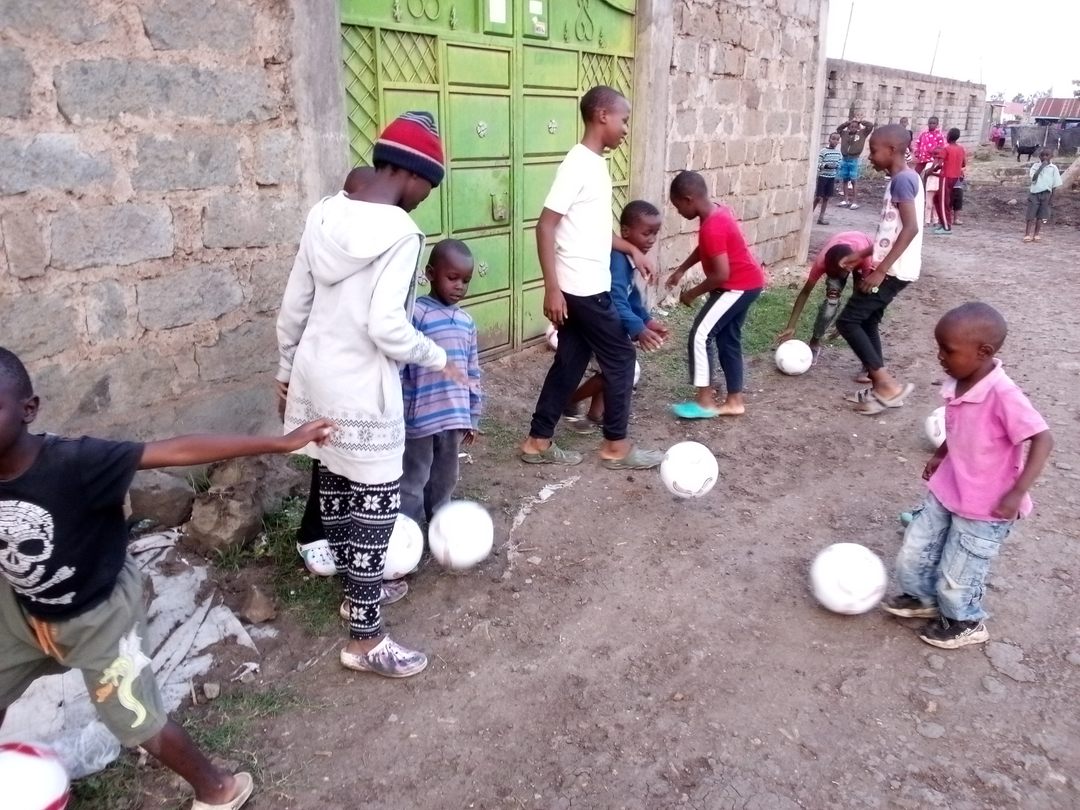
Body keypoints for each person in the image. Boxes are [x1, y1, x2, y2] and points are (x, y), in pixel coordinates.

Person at [0, 346, 334, 810]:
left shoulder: (74, 463)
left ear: (28, 409)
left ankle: (218, 788)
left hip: (98, 617)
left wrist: (281, 443)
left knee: (137, 720)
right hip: (20, 610)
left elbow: (175, 450)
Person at [277, 111, 466, 679]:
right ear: (413, 174)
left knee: (336, 477)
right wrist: (439, 358)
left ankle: (352, 592)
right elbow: (387, 327)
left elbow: (295, 303)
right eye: (429, 187)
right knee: (376, 504)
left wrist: (286, 370)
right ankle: (366, 636)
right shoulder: (401, 233)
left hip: (315, 373)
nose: (425, 198)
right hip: (362, 385)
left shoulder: (324, 213)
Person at [882, 303, 1053, 649]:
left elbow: (1043, 439)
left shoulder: (1003, 394)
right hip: (950, 486)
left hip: (986, 505)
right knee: (917, 546)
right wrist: (942, 453)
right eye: (939, 348)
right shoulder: (960, 381)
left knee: (959, 570)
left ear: (983, 352)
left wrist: (1017, 492)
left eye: (948, 350)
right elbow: (960, 425)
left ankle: (966, 621)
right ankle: (922, 597)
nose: (940, 357)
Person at [519, 85, 664, 471]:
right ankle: (616, 446)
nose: (626, 128)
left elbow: (593, 230)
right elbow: (545, 226)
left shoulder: (595, 164)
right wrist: (551, 288)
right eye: (623, 120)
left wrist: (631, 249)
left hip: (581, 287)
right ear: (602, 116)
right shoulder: (578, 164)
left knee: (570, 362)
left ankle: (537, 441)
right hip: (582, 288)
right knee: (621, 357)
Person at [295, 164, 379, 578]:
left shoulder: (374, 238)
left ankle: (346, 534)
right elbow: (299, 303)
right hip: (329, 365)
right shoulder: (327, 237)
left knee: (352, 455)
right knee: (327, 452)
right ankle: (313, 533)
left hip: (356, 368)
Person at [835, 124, 922, 415]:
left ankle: (887, 386)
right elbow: (891, 232)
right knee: (868, 320)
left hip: (893, 270)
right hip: (893, 265)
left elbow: (910, 228)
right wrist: (862, 254)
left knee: (848, 321)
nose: (869, 156)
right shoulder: (903, 178)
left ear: (892, 150)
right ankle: (880, 387)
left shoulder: (902, 181)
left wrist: (881, 270)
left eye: (873, 151)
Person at [666, 170, 766, 419]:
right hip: (748, 283)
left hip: (737, 286)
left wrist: (691, 293)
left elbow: (721, 274)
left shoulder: (712, 226)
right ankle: (734, 401)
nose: (679, 212)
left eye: (678, 206)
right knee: (728, 339)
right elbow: (706, 247)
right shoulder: (716, 212)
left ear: (688, 199)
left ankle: (705, 402)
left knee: (700, 335)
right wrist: (682, 269)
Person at [562, 200, 669, 429]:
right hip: (597, 323)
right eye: (646, 233)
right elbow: (616, 299)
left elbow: (632, 297)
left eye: (655, 233)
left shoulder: (628, 260)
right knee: (625, 370)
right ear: (626, 231)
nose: (652, 239)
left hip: (607, 323)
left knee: (609, 370)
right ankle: (570, 400)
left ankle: (595, 414)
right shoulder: (618, 261)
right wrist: (638, 329)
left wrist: (647, 321)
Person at [399, 239, 481, 527]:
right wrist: (400, 411)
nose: (459, 286)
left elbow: (472, 371)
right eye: (453, 277)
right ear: (431, 274)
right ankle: (407, 530)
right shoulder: (416, 314)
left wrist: (472, 414)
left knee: (445, 478)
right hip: (420, 419)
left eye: (465, 281)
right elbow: (401, 366)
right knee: (414, 477)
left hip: (453, 418)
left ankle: (440, 524)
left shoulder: (466, 322)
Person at [776, 230, 874, 363]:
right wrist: (791, 326)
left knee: (862, 296)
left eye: (840, 273)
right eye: (833, 274)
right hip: (840, 252)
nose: (838, 276)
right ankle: (814, 342)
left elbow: (862, 296)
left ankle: (869, 359)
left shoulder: (865, 259)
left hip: (861, 250)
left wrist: (847, 319)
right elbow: (805, 292)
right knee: (830, 304)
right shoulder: (821, 262)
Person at [1023, 149, 1063, 243]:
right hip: (1034, 194)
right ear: (1039, 157)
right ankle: (1027, 234)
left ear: (1051, 156)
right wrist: (1041, 167)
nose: (1044, 157)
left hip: (1046, 194)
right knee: (1030, 215)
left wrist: (1052, 198)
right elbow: (1033, 178)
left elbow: (1054, 185)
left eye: (1047, 155)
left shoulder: (1053, 168)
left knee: (1041, 216)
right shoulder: (1035, 166)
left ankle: (1036, 234)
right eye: (1042, 155)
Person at [835, 117, 875, 209]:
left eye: (855, 127)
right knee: (845, 180)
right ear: (848, 127)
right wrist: (846, 123)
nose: (853, 128)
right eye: (851, 126)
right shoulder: (844, 134)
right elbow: (839, 129)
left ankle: (855, 201)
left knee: (853, 180)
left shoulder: (862, 134)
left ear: (858, 127)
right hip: (845, 159)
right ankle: (845, 200)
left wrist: (861, 121)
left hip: (854, 159)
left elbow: (870, 126)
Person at [933, 128, 965, 234]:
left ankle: (946, 227)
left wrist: (931, 171)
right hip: (956, 178)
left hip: (946, 177)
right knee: (937, 199)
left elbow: (939, 164)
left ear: (949, 136)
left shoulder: (946, 149)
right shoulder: (961, 149)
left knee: (943, 201)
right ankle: (943, 223)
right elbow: (963, 164)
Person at [813, 132, 844, 225]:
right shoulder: (823, 151)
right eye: (833, 139)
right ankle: (809, 215)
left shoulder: (838, 153)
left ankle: (821, 218)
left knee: (826, 198)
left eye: (837, 139)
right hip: (823, 176)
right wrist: (825, 165)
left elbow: (839, 164)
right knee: (818, 197)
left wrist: (836, 166)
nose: (835, 141)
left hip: (831, 177)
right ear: (829, 140)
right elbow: (818, 163)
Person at [921, 148, 944, 228]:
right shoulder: (929, 164)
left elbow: (942, 175)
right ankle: (927, 221)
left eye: (938, 155)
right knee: (928, 205)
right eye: (935, 154)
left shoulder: (943, 164)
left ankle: (935, 221)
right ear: (933, 155)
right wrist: (934, 165)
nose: (937, 156)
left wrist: (932, 173)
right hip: (929, 186)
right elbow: (927, 173)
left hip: (938, 187)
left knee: (936, 205)